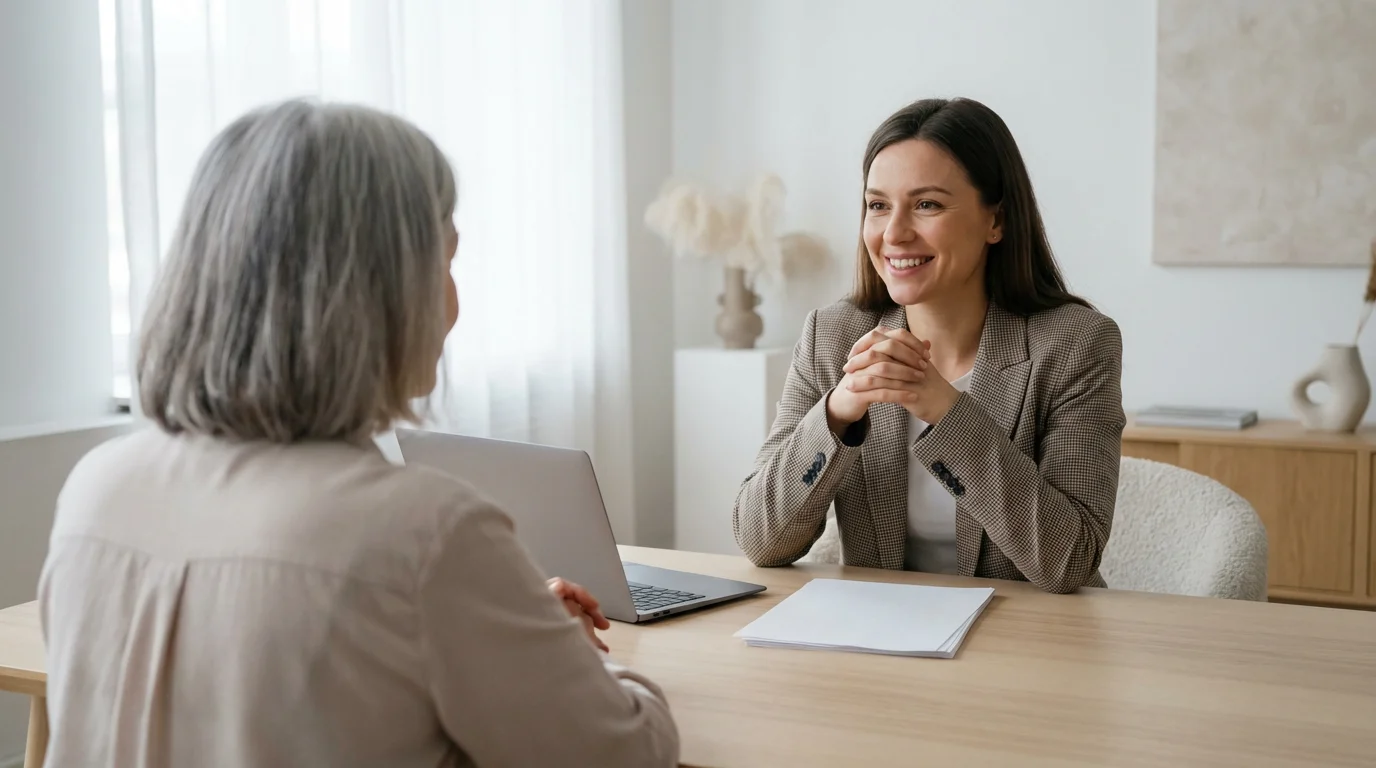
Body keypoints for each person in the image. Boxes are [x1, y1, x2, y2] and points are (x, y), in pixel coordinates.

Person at [38, 99, 679, 767]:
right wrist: (569, 656)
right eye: (446, 259)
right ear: (382, 288)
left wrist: (504, 627)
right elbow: (627, 752)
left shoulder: (96, 488)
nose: (455, 301)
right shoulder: (424, 534)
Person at [733, 97, 1125, 594]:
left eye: (927, 205)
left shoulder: (1076, 345)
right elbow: (759, 541)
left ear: (996, 221)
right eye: (878, 206)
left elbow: (1069, 561)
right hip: (883, 640)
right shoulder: (830, 338)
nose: (894, 233)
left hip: (1029, 648)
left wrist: (945, 409)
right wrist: (838, 411)